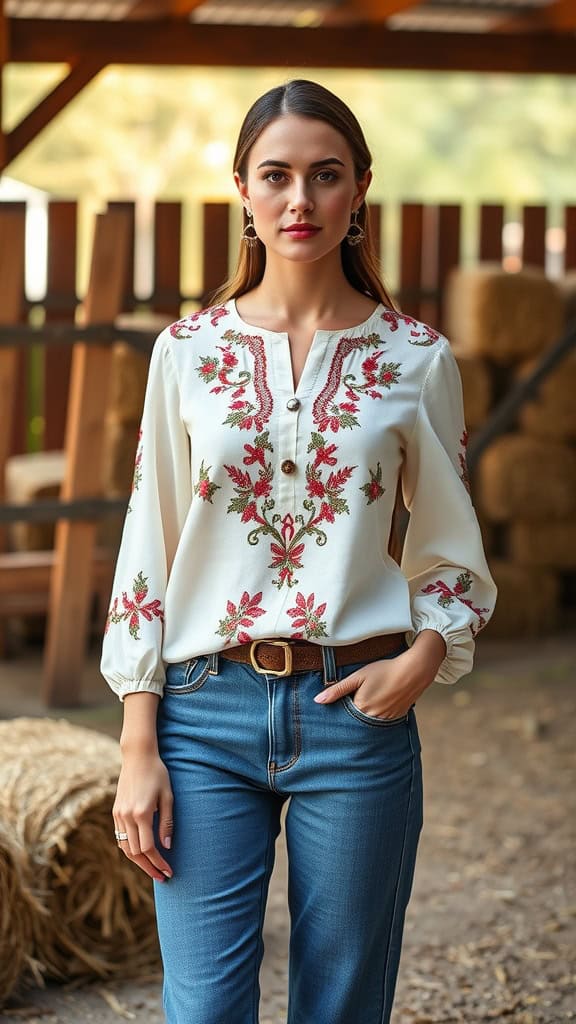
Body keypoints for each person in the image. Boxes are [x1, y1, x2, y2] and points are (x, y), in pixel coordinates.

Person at [101, 78, 497, 1024]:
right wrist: (136, 740)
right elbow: (147, 548)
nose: (300, 200)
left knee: (341, 1008)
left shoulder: (417, 359)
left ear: (360, 188)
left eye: (325, 176)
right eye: (276, 175)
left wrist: (424, 657)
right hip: (201, 719)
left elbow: (452, 553)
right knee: (202, 1011)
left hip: (354, 716)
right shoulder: (186, 352)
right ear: (241, 187)